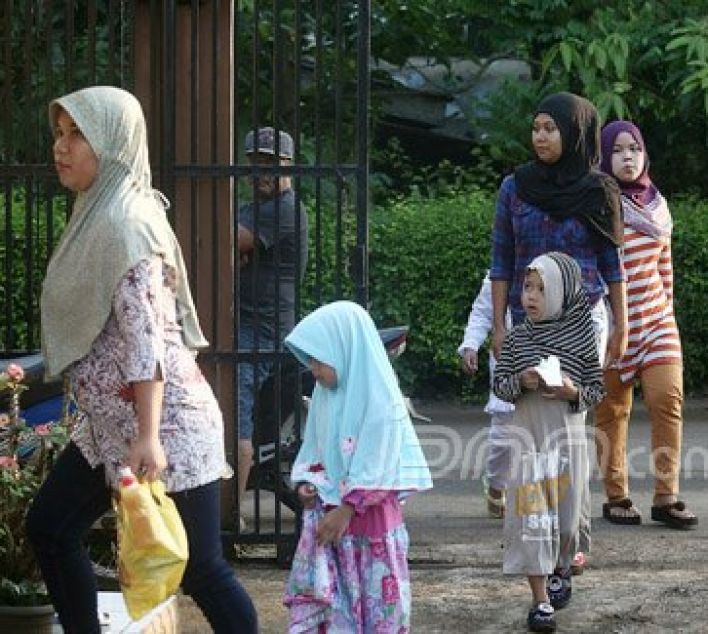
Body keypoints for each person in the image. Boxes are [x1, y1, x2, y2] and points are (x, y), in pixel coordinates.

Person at [28, 85, 258, 632]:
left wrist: (149, 435)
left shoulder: (127, 224)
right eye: (59, 133)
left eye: (78, 133)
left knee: (201, 568)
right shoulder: (97, 214)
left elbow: (145, 338)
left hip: (167, 425)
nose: (61, 147)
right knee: (51, 528)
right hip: (111, 426)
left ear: (112, 142)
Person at [490, 91, 627, 578]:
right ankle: (538, 534)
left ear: (573, 133)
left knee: (569, 427)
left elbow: (613, 265)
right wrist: (498, 324)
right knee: (528, 426)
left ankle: (573, 538)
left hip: (582, 320)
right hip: (527, 321)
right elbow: (501, 259)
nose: (541, 136)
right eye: (536, 127)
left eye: (551, 128)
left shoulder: (598, 189)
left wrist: (622, 325)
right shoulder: (515, 187)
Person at [281, 301, 432, 632]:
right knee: (339, 614)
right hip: (336, 531)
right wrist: (308, 482)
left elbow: (380, 461)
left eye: (318, 360)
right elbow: (315, 449)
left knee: (379, 613)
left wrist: (348, 509)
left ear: (344, 350)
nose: (313, 370)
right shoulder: (324, 394)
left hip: (372, 527)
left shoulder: (381, 400)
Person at [492, 252, 605, 633]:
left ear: (562, 292)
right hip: (528, 442)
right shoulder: (518, 336)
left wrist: (574, 391)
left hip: (567, 444)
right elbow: (500, 385)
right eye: (527, 287)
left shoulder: (582, 333)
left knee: (567, 519)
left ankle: (562, 565)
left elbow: (596, 389)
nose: (531, 296)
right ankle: (540, 600)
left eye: (542, 289)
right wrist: (520, 383)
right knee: (531, 520)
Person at [593, 120, 697, 529]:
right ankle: (616, 495)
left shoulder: (658, 206)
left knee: (667, 400)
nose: (627, 157)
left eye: (634, 149)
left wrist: (665, 313)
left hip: (656, 320)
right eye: (617, 150)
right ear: (604, 157)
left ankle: (665, 496)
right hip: (609, 325)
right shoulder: (595, 205)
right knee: (612, 412)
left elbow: (664, 267)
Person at [235, 125, 308, 512]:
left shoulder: (284, 209)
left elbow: (229, 243)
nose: (261, 172)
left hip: (262, 331)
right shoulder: (253, 209)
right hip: (245, 324)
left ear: (288, 167)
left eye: (270, 163)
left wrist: (238, 249)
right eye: (255, 162)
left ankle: (228, 519)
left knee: (235, 411)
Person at [458, 271, 515, 519]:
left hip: (546, 362)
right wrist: (471, 345)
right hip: (506, 361)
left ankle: (538, 503)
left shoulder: (555, 264)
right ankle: (496, 482)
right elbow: (482, 312)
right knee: (504, 437)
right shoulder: (499, 272)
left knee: (543, 438)